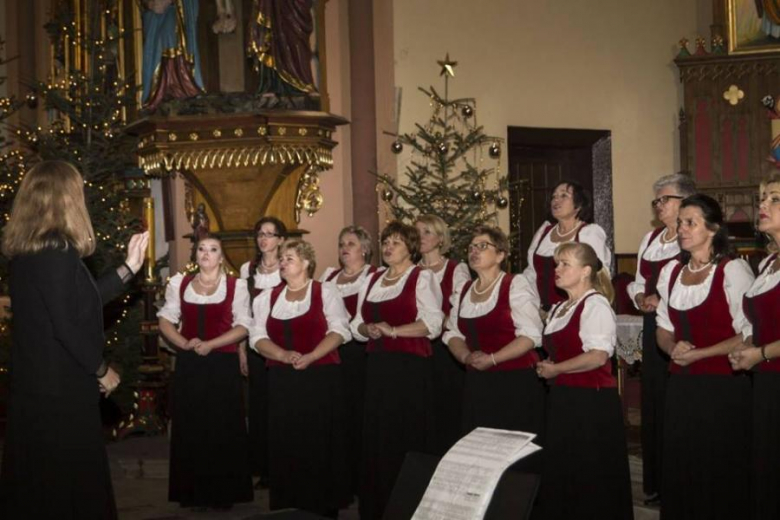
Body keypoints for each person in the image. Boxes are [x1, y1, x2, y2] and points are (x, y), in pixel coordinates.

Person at [0, 160, 149, 519]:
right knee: (70, 487)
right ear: (64, 197)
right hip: (59, 391)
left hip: (37, 386)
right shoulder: (57, 250)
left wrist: (127, 268)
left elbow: (79, 301)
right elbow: (67, 324)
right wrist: (101, 370)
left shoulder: (29, 251)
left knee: (44, 486)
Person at [655, 194, 754, 520]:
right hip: (683, 386)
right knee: (684, 460)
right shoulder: (671, 273)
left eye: (690, 222)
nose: (681, 229)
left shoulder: (732, 270)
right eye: (680, 222)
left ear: (712, 228)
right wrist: (672, 349)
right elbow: (663, 328)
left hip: (723, 386)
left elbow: (749, 333)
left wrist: (701, 354)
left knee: (719, 463)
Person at [251, 239, 351, 516]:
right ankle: (290, 501)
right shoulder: (267, 297)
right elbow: (257, 336)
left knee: (319, 440)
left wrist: (311, 356)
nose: (282, 262)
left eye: (290, 258)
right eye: (281, 259)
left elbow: (340, 330)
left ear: (307, 263)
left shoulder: (325, 291)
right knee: (287, 439)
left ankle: (322, 503)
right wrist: (283, 355)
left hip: (320, 378)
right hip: (283, 381)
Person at [351, 221, 444, 520]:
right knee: (380, 439)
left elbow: (432, 324)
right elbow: (356, 325)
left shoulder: (422, 277)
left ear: (411, 248)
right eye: (386, 242)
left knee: (407, 436)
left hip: (409, 371)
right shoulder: (372, 279)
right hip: (378, 370)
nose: (389, 247)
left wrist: (393, 331)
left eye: (396, 242)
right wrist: (368, 328)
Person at [535, 242, 633, 520]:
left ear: (586, 271)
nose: (557, 269)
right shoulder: (560, 308)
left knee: (590, 473)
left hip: (591, 403)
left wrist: (556, 370)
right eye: (557, 264)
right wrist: (553, 366)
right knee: (567, 470)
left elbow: (597, 356)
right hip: (565, 400)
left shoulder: (596, 304)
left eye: (565, 263)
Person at [158, 235, 254, 509]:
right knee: (192, 425)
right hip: (190, 365)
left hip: (222, 364)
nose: (206, 254)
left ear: (221, 257)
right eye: (201, 249)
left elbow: (243, 326)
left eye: (213, 250)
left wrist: (210, 344)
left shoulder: (236, 286)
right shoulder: (181, 283)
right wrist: (183, 343)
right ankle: (191, 492)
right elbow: (166, 320)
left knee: (221, 426)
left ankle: (223, 493)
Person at [444, 226, 545, 466]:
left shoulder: (515, 284)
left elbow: (531, 335)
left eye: (482, 246)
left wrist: (492, 359)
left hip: (514, 383)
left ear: (500, 255)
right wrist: (466, 357)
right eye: (471, 247)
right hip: (478, 384)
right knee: (479, 451)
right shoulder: (464, 291)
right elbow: (452, 333)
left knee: (513, 453)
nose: (474, 251)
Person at [626, 173, 696, 505]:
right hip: (655, 327)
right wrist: (641, 297)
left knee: (678, 403)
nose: (659, 205)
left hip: (684, 325)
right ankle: (656, 483)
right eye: (656, 200)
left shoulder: (693, 237)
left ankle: (681, 480)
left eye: (664, 199)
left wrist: (662, 299)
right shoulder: (651, 238)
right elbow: (639, 280)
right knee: (654, 400)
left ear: (685, 201)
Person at [729, 172, 780, 519]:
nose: (761, 205)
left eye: (774, 198)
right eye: (762, 198)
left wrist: (759, 353)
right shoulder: (767, 263)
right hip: (766, 381)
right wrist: (747, 345)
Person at [319, 225, 376, 497]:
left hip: (359, 354)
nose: (345, 248)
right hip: (332, 352)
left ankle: (359, 477)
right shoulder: (328, 276)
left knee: (358, 414)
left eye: (351, 243)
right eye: (342, 243)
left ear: (364, 248)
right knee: (335, 415)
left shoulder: (373, 276)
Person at [415, 215, 471, 455]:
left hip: (444, 348)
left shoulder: (455, 268)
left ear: (440, 239)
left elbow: (462, 306)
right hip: (416, 347)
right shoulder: (410, 270)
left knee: (446, 405)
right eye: (416, 233)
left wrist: (445, 321)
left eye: (427, 232)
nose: (421, 238)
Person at [239, 216, 287, 486]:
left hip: (283, 344)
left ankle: (283, 464)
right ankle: (263, 467)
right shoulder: (248, 269)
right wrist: (241, 351)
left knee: (282, 403)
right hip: (257, 345)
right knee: (259, 405)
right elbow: (243, 314)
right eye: (260, 233)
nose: (263, 238)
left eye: (270, 233)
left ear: (281, 239)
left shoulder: (288, 266)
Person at [524, 180, 612, 312]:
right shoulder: (544, 232)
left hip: (576, 311)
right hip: (541, 312)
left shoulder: (589, 233)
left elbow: (599, 276)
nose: (556, 200)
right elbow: (531, 273)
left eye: (563, 195)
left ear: (579, 205)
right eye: (554, 197)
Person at [141, 0, 204, 110]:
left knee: (178, 43)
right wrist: (150, 3)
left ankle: (185, 87)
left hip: (180, 9)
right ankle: (160, 93)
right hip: (156, 14)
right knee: (162, 44)